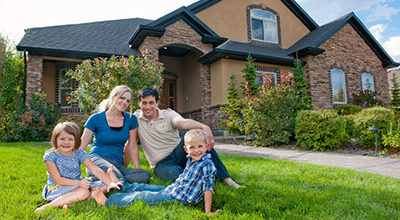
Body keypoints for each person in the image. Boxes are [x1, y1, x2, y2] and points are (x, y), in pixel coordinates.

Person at [125, 87, 242, 188]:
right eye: (144, 103)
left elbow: (182, 123)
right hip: (161, 163)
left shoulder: (168, 114)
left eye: (151, 103)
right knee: (176, 174)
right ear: (139, 103)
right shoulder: (135, 118)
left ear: (157, 103)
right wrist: (138, 169)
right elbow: (132, 144)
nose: (147, 107)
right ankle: (200, 185)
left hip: (180, 152)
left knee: (201, 142)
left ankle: (226, 179)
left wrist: (203, 126)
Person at [100, 129, 218, 213]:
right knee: (144, 187)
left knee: (143, 196)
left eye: (200, 146)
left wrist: (208, 211)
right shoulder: (192, 158)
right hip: (174, 189)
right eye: (192, 147)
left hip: (180, 198)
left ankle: (108, 201)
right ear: (186, 149)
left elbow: (207, 188)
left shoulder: (207, 165)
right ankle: (122, 185)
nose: (196, 150)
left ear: (207, 147)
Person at [35, 122, 121, 213]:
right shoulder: (51, 156)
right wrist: (79, 183)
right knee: (84, 192)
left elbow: (94, 169)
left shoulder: (79, 153)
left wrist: (109, 182)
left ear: (76, 140)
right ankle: (48, 206)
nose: (66, 142)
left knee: (104, 184)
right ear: (55, 140)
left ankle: (72, 201)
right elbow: (58, 179)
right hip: (59, 187)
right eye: (62, 139)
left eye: (70, 139)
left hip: (77, 184)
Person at [80, 85, 150, 183]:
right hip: (97, 159)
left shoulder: (131, 119)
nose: (125, 102)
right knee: (116, 175)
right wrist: (73, 169)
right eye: (122, 98)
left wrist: (137, 169)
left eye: (128, 100)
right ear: (113, 97)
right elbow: (82, 146)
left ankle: (100, 181)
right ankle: (114, 181)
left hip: (117, 164)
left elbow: (132, 146)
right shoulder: (95, 119)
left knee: (144, 175)